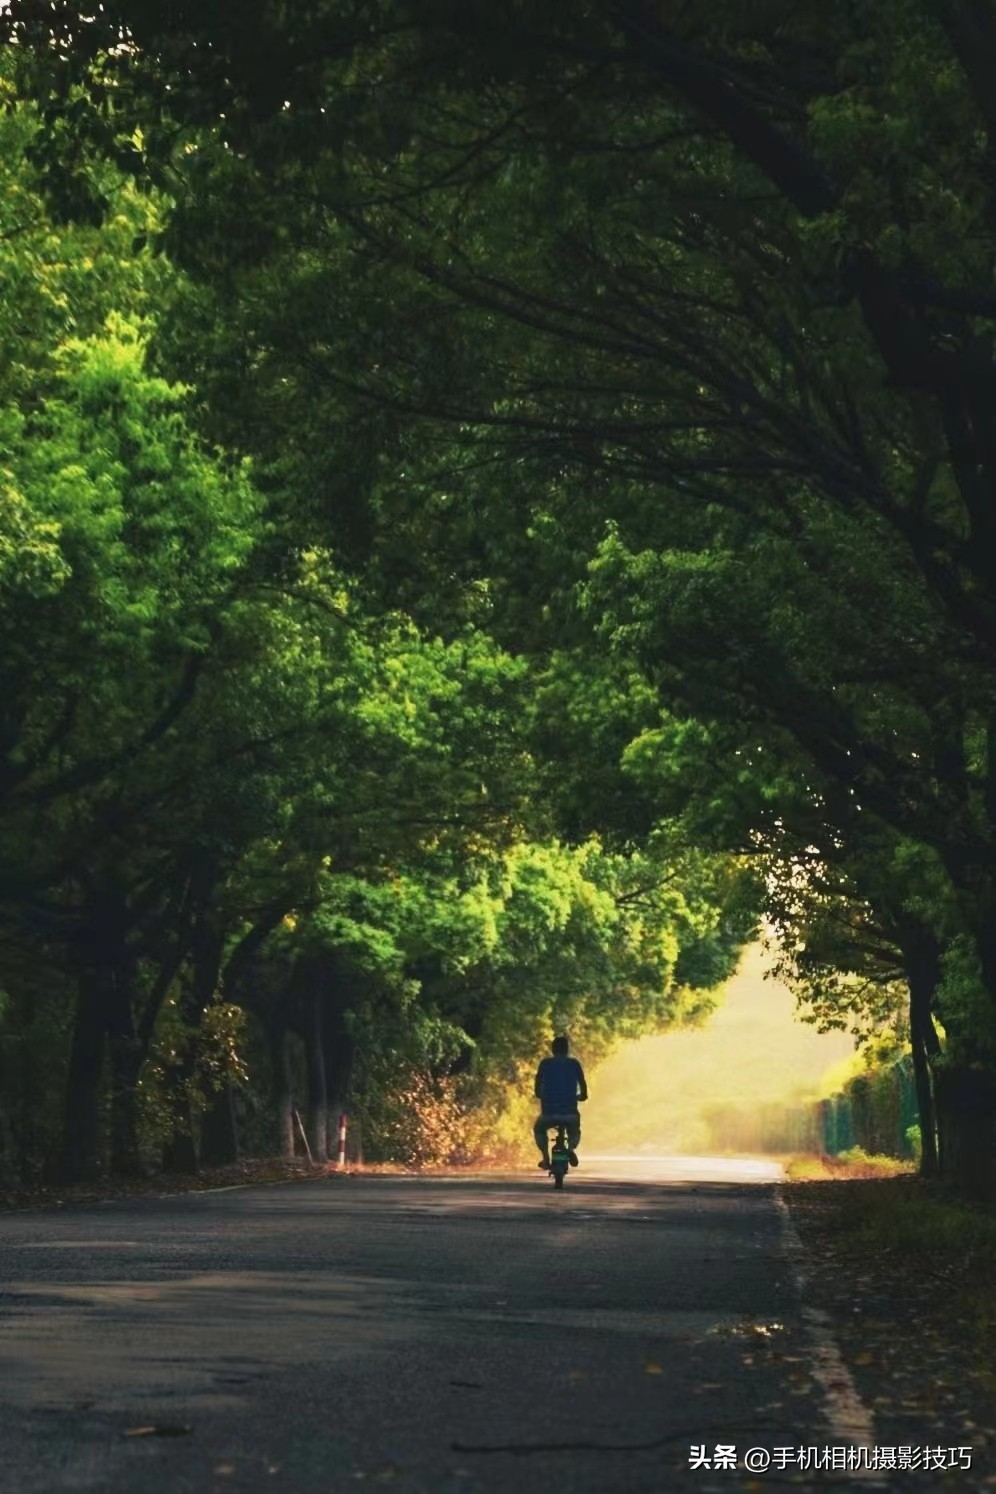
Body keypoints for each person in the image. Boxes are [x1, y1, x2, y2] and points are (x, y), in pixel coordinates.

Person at [533, 1034, 587, 1169]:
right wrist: (583, 1096)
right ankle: (569, 1150)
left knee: (539, 1129)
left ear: (553, 1049)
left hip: (549, 1113)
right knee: (574, 1131)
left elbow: (538, 1083)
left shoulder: (545, 1063)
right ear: (567, 1049)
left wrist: (539, 1094)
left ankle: (546, 1159)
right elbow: (582, 1083)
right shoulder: (574, 1063)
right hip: (570, 1113)